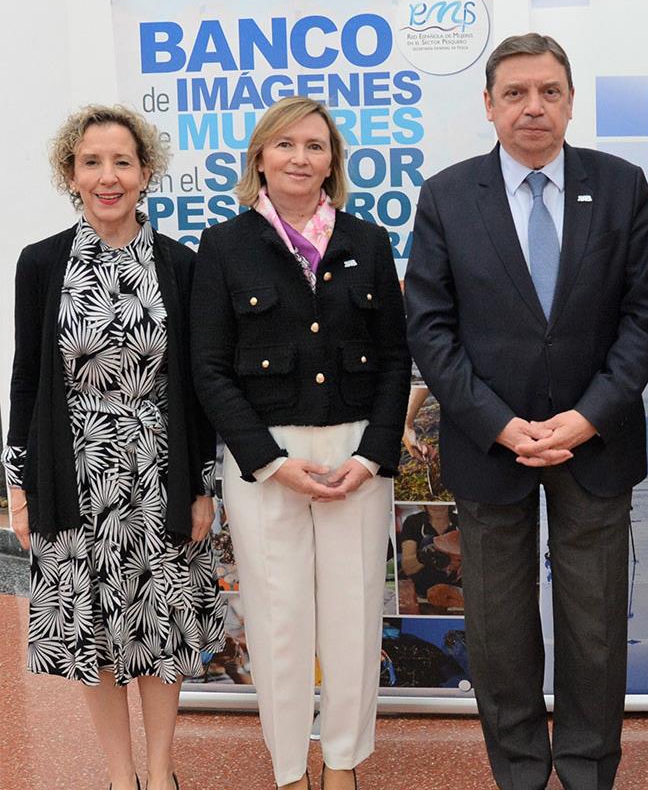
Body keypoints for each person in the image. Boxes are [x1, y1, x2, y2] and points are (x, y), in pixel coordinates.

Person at [405, 32, 648, 790]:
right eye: (515, 93)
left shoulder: (621, 186)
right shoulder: (449, 196)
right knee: (498, 633)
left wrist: (587, 418)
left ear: (571, 100)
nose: (533, 107)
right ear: (488, 105)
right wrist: (496, 421)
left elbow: (643, 319)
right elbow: (429, 325)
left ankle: (587, 771)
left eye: (549, 91)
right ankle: (519, 771)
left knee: (593, 629)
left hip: (596, 443)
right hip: (491, 448)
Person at [190, 96, 409, 790]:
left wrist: (372, 455)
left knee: (351, 615)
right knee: (280, 619)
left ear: (333, 164)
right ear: (259, 157)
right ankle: (288, 768)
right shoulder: (223, 245)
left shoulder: (368, 243)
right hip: (265, 460)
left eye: (315, 146)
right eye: (284, 145)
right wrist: (270, 461)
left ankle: (341, 760)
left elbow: (396, 359)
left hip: (355, 457)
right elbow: (210, 368)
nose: (300, 158)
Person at [4, 104, 224, 790]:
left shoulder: (180, 264)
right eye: (91, 162)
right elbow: (26, 381)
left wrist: (201, 488)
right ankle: (119, 775)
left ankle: (161, 772)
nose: (108, 176)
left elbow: (197, 388)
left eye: (121, 162)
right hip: (73, 471)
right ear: (71, 174)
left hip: (160, 469)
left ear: (146, 171)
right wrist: (17, 487)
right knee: (91, 630)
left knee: (161, 630)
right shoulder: (41, 264)